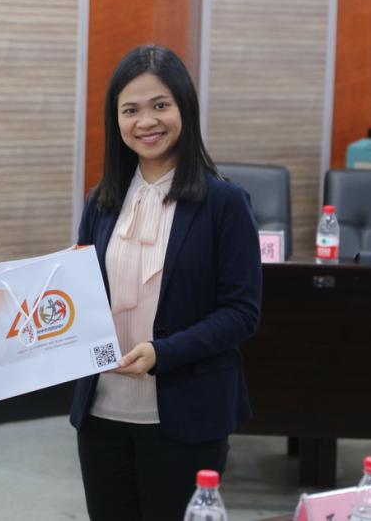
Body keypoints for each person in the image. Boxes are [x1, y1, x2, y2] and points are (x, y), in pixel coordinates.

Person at [69, 45, 262, 520]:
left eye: (160, 105)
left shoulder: (225, 202)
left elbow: (241, 314)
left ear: (184, 108)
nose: (146, 122)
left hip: (188, 412)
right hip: (102, 411)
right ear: (116, 119)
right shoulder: (102, 202)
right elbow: (79, 295)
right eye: (130, 110)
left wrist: (163, 353)